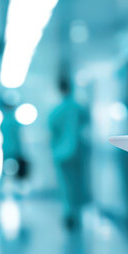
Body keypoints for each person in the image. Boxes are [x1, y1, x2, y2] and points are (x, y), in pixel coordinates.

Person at [49, 76, 88, 230]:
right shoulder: (78, 108)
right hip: (77, 152)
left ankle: (68, 212)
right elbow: (86, 121)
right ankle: (76, 214)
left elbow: (52, 132)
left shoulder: (55, 112)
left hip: (60, 154)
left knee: (65, 185)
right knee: (77, 184)